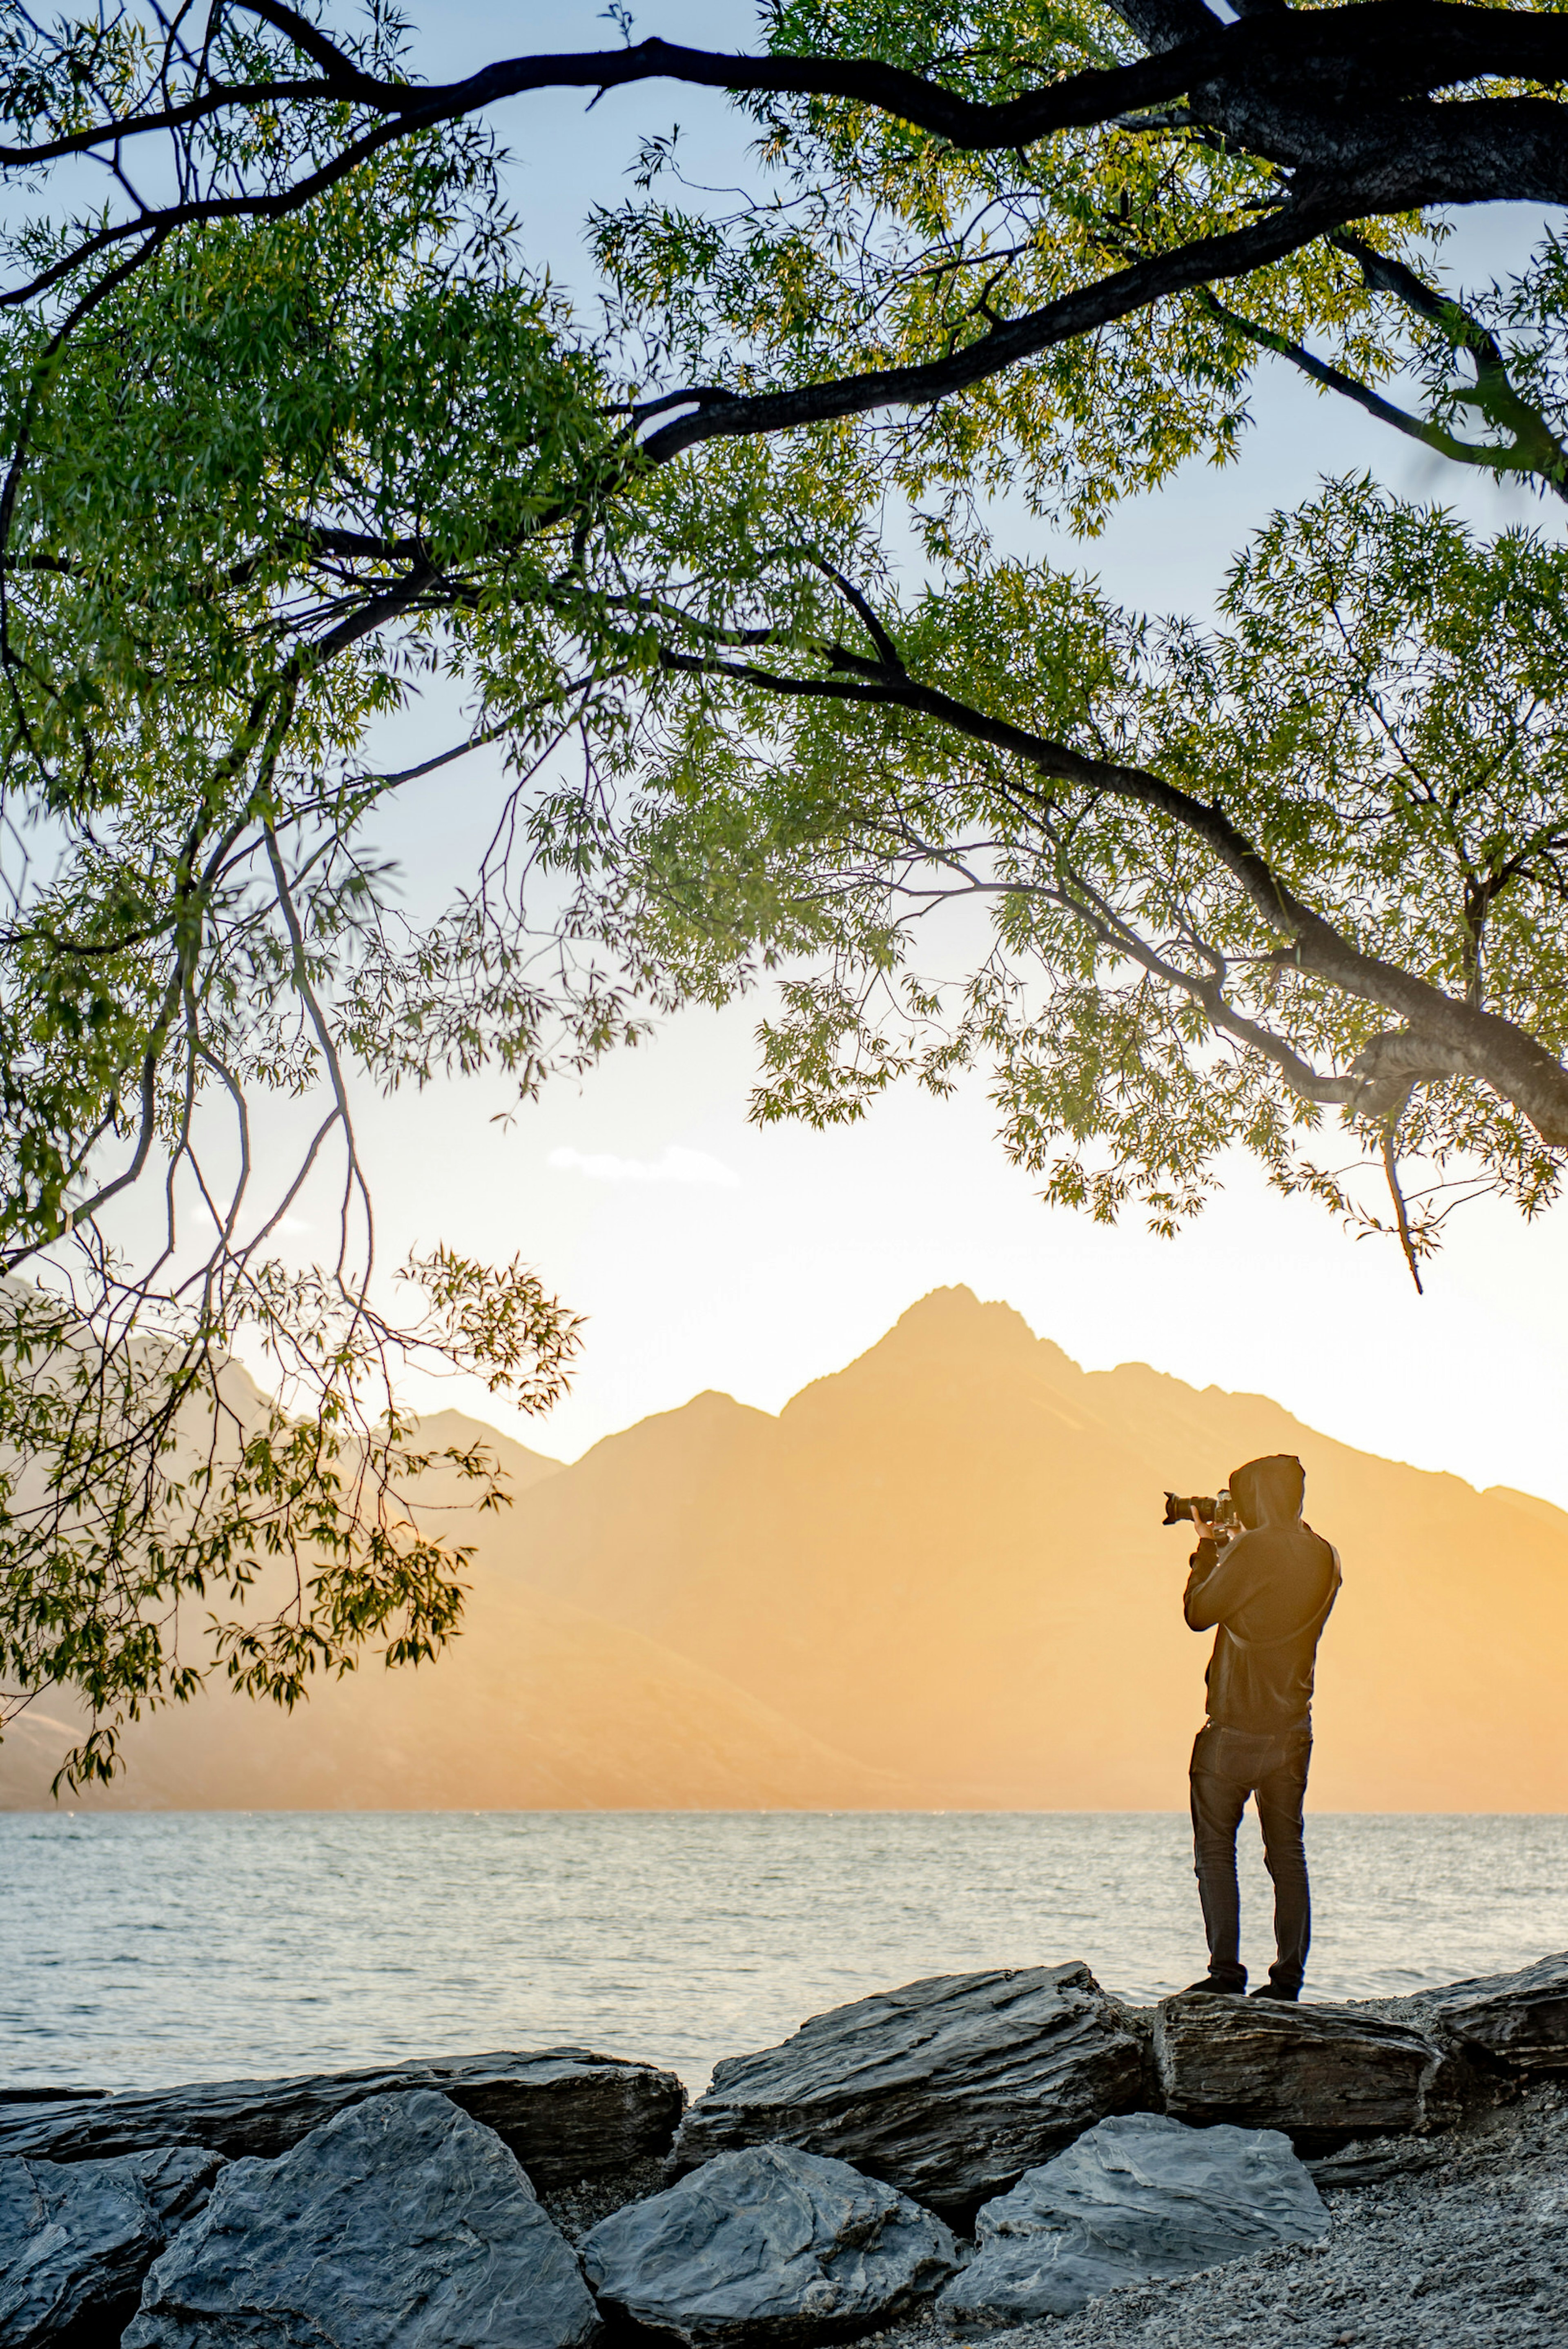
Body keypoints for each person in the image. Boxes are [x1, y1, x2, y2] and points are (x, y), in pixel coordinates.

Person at [1180, 1453, 1341, 2001]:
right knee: (1286, 1854)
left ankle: (1225, 1974)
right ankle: (1288, 1981)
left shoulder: (1249, 1549)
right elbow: (1276, 1595)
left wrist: (1210, 1547)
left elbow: (1200, 1612)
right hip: (1294, 1729)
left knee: (1217, 1849)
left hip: (1232, 1731)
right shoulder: (1325, 1555)